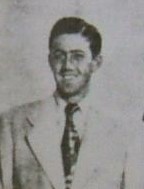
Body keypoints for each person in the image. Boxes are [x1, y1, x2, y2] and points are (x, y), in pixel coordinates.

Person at [0, 17, 143, 189]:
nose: (67, 65)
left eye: (77, 57)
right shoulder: (12, 124)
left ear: (96, 63)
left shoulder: (125, 132)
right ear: (50, 60)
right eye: (59, 56)